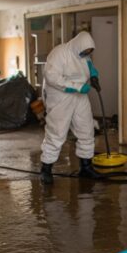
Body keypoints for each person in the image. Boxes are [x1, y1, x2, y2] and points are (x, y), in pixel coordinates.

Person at [39, 31, 102, 184]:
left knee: (86, 130)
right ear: (77, 45)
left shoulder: (83, 54)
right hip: (60, 97)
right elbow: (52, 77)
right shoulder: (59, 53)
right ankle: (46, 169)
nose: (87, 54)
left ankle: (86, 167)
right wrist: (77, 87)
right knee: (57, 132)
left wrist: (93, 75)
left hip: (80, 97)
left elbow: (88, 66)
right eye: (85, 51)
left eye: (89, 52)